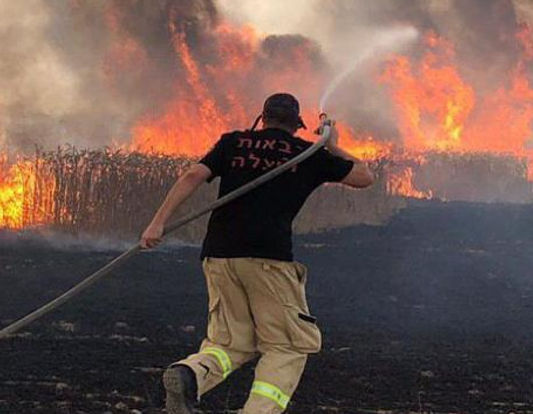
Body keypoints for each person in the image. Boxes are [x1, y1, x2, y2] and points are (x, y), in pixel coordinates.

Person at [140, 93, 375, 414]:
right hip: (268, 259)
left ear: (262, 119)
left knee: (229, 343)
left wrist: (156, 224)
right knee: (289, 345)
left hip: (218, 256)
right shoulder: (307, 153)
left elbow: (192, 175)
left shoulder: (233, 142)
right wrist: (330, 143)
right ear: (297, 126)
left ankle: (189, 374)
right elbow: (365, 178)